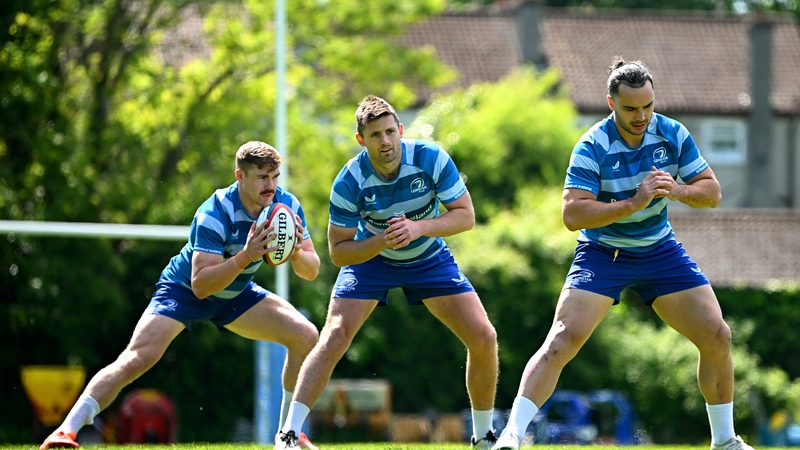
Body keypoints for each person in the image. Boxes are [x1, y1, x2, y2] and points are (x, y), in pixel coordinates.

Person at [491, 56, 755, 450]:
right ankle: (511, 436)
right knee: (563, 338)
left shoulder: (672, 133)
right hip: (603, 254)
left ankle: (725, 441)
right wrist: (632, 203)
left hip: (660, 250)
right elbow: (572, 214)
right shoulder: (592, 144)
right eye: (631, 108)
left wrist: (678, 190)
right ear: (611, 102)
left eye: (648, 105)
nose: (641, 115)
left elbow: (712, 192)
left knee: (717, 334)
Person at [41, 141, 321, 450]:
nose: (270, 186)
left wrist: (295, 252)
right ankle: (66, 431)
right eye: (261, 178)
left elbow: (312, 270)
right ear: (239, 176)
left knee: (306, 335)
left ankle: (287, 436)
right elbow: (201, 284)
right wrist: (246, 255)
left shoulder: (286, 206)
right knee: (137, 358)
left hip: (235, 294)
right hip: (184, 290)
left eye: (275, 176)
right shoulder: (215, 211)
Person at [275, 95, 499, 449]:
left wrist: (419, 228)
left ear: (401, 131)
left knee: (484, 337)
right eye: (375, 135)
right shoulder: (349, 181)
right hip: (371, 261)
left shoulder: (431, 158)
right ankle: (288, 435)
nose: (385, 142)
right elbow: (338, 251)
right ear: (361, 140)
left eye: (390, 132)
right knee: (333, 334)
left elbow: (465, 216)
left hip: (428, 257)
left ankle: (484, 437)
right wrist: (382, 241)